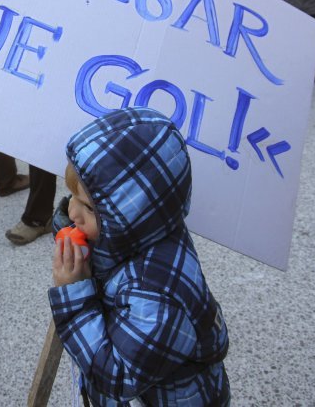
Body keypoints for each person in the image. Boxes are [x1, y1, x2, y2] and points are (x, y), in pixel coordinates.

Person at [49, 107, 230, 406]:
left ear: (129, 216)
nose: (72, 213)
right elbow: (109, 248)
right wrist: (69, 232)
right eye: (72, 197)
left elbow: (119, 377)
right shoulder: (147, 225)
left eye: (89, 208)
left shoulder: (155, 294)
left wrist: (76, 301)